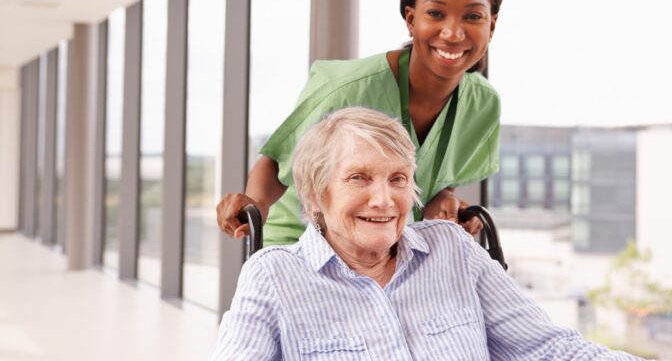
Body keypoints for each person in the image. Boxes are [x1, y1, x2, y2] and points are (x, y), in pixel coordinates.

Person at [209, 108, 643, 360]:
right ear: (317, 195)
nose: (384, 200)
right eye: (359, 178)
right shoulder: (274, 276)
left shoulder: (451, 249)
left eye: (398, 179)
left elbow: (550, 351)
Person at [218, 0, 504, 245]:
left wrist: (445, 199)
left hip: (388, 255)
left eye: (473, 17)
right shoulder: (347, 89)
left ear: (491, 25)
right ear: (411, 19)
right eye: (435, 13)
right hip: (303, 248)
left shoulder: (483, 105)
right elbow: (277, 163)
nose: (453, 33)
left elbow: (433, 179)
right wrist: (255, 205)